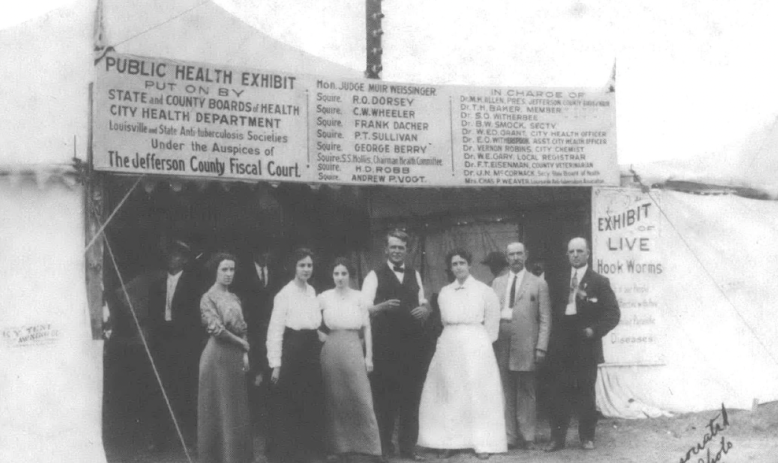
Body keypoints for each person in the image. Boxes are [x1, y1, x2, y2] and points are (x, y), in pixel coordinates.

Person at [418, 249, 506, 460]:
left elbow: (493, 322)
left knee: (477, 392)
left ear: (470, 265)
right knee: (451, 391)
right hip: (450, 343)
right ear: (450, 267)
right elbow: (443, 322)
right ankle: (451, 441)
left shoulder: (484, 290)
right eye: (455, 264)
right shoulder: (445, 292)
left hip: (476, 343)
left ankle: (482, 442)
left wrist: (482, 345)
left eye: (462, 263)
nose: (458, 267)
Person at [361, 230, 432, 462]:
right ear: (386, 249)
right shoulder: (374, 275)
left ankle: (408, 448)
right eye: (393, 247)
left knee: (411, 398)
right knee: (385, 399)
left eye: (401, 247)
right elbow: (362, 308)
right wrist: (381, 307)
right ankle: (385, 449)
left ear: (406, 249)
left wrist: (426, 308)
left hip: (412, 345)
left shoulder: (414, 273)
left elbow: (422, 301)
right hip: (386, 347)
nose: (397, 251)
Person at [544, 237, 620, 452]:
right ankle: (557, 438)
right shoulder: (558, 280)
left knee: (586, 390)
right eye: (571, 251)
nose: (575, 255)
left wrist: (594, 330)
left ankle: (587, 436)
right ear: (567, 255)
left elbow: (613, 314)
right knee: (559, 390)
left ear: (588, 254)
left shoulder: (599, 281)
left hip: (586, 342)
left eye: (580, 251)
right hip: (562, 342)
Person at [318, 257, 382, 460]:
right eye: (336, 273)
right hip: (331, 349)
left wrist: (369, 356)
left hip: (354, 346)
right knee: (335, 398)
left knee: (360, 395)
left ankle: (369, 449)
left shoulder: (359, 297)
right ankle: (339, 448)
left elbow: (367, 327)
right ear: (332, 275)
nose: (339, 277)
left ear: (350, 275)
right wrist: (322, 335)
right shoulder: (324, 297)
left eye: (344, 273)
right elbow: (308, 319)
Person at [265, 248, 324, 463]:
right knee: (290, 402)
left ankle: (308, 452)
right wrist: (276, 364)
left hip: (311, 351)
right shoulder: (284, 294)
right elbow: (275, 330)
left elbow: (314, 323)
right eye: (302, 265)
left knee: (310, 399)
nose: (306, 269)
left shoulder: (312, 291)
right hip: (293, 351)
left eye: (309, 265)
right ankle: (287, 455)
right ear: (294, 267)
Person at [491, 242, 551, 450]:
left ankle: (528, 436)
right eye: (511, 255)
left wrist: (541, 346)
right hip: (501, 341)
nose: (515, 258)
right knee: (505, 389)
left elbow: (545, 318)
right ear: (506, 258)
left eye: (519, 254)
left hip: (527, 342)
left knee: (526, 389)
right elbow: (490, 314)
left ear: (526, 256)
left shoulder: (537, 283)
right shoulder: (497, 283)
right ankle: (509, 436)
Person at [197, 252, 254, 463]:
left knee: (235, 408)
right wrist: (241, 343)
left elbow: (242, 326)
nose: (229, 274)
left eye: (232, 269)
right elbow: (215, 328)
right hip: (217, 357)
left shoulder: (234, 297)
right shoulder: (208, 297)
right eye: (224, 269)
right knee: (221, 408)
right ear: (216, 271)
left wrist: (245, 354)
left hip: (235, 356)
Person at [147, 239, 202, 450]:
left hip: (183, 344)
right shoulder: (157, 284)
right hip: (162, 342)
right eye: (170, 255)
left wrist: (191, 347)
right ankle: (159, 440)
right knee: (160, 390)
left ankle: (188, 440)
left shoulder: (192, 284)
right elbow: (152, 316)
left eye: (178, 255)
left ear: (185, 260)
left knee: (185, 392)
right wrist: (154, 342)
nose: (173, 259)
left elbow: (195, 319)